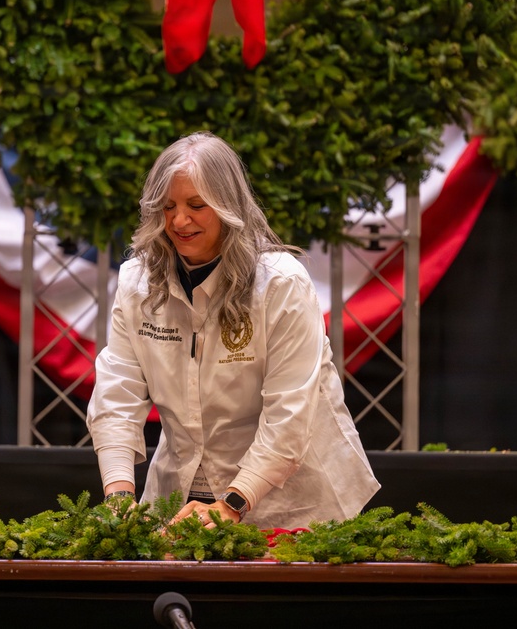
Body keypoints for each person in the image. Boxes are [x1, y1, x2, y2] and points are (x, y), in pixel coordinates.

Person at [86, 131, 380, 529]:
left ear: (228, 206)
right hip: (181, 500)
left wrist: (231, 504)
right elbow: (117, 394)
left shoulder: (280, 284)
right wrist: (118, 494)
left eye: (196, 205)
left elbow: (289, 414)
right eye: (167, 206)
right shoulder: (136, 281)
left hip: (293, 505)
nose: (178, 220)